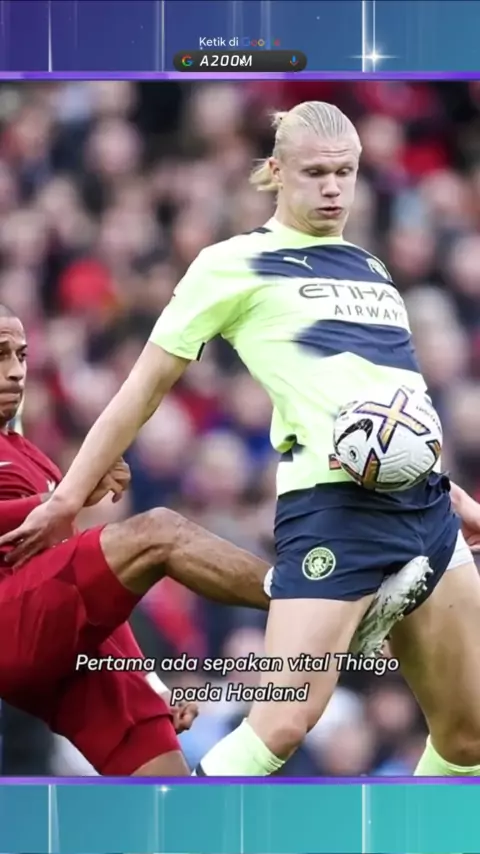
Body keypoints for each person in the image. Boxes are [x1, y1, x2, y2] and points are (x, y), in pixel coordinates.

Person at [3, 101, 480, 779]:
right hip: (335, 508)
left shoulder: (370, 267)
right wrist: (67, 498)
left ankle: (408, 833)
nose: (334, 189)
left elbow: (394, 401)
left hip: (425, 506)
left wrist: (450, 492)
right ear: (276, 172)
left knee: (468, 737)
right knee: (281, 723)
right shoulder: (233, 264)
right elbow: (142, 388)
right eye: (315, 173)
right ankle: (198, 823)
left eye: (345, 172)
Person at [0, 306, 414, 778]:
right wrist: (66, 497)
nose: (15, 371)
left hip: (52, 638)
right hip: (10, 623)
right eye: (1, 355)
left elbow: (81, 594)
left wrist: (151, 683)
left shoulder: (30, 456)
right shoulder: (55, 483)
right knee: (159, 531)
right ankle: (317, 602)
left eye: (22, 355)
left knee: (168, 793)